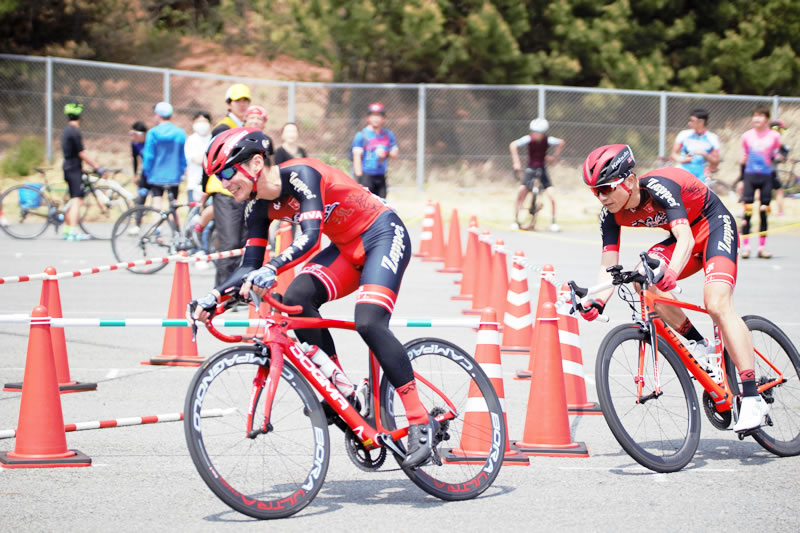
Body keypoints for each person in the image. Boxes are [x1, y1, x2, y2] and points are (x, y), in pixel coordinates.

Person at [191, 127, 436, 468]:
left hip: (382, 232)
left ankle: (419, 419)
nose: (225, 182)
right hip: (346, 249)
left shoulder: (301, 175)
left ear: (257, 162)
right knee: (296, 299)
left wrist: (273, 267)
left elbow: (309, 238)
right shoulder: (256, 209)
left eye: (228, 172)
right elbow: (247, 266)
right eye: (219, 178)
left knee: (368, 320)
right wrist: (212, 298)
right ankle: (342, 390)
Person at [579, 144, 769, 432]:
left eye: (606, 188)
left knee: (716, 305)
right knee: (642, 276)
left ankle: (753, 397)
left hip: (712, 227)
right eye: (595, 191)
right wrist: (597, 300)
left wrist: (671, 272)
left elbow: (685, 239)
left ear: (630, 181)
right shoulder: (610, 216)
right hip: (684, 240)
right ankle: (700, 345)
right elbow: (609, 265)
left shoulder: (660, 187)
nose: (602, 197)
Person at [202, 83, 265, 287]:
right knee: (229, 243)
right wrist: (205, 190)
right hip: (225, 191)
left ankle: (237, 290)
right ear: (229, 104)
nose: (242, 105)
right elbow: (210, 159)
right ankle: (222, 292)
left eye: (246, 101)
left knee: (244, 244)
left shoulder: (247, 129)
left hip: (245, 193)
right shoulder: (223, 127)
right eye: (238, 101)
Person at [739, 106, 782, 259]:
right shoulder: (747, 136)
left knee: (764, 211)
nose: (757, 119)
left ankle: (762, 247)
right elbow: (743, 159)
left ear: (767, 118)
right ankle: (746, 247)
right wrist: (741, 180)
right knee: (748, 211)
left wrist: (779, 156)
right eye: (755, 116)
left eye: (761, 116)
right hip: (750, 175)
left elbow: (778, 152)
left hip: (766, 177)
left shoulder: (774, 136)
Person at [509, 118, 564, 232]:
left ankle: (553, 222)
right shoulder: (528, 139)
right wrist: (516, 162)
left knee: (552, 196)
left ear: (543, 132)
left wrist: (553, 158)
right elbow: (513, 145)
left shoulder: (548, 140)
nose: (535, 134)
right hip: (530, 169)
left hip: (542, 170)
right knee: (521, 192)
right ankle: (516, 220)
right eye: (533, 131)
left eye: (538, 132)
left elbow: (561, 142)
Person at [60, 102, 103, 241]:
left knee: (73, 199)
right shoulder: (75, 131)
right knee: (77, 200)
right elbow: (81, 153)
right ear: (79, 116)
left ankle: (67, 229)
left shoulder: (66, 130)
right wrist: (96, 166)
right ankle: (72, 230)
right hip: (73, 169)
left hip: (68, 167)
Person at [142, 102, 186, 212]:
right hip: (174, 174)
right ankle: (175, 228)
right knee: (173, 204)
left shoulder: (152, 133)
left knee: (157, 202)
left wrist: (147, 172)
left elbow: (148, 156)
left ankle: (156, 229)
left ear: (158, 115)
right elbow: (183, 156)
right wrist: (182, 171)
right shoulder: (180, 133)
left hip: (156, 174)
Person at [351, 102, 398, 198]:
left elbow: (395, 154)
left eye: (379, 116)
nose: (376, 119)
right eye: (373, 115)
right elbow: (357, 158)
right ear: (368, 118)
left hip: (381, 175)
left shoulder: (388, 135)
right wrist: (359, 178)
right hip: (366, 176)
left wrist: (386, 153)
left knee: (382, 205)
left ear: (384, 118)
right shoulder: (362, 135)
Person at [670, 108, 720, 183]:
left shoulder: (712, 138)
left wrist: (704, 154)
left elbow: (715, 161)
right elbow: (673, 154)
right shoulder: (683, 134)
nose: (689, 123)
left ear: (701, 122)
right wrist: (682, 159)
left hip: (701, 174)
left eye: (692, 121)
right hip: (683, 171)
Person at [184, 111, 212, 204]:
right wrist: (209, 158)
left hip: (211, 184)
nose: (201, 125)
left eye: (204, 121)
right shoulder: (191, 140)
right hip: (194, 183)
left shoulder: (213, 138)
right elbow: (196, 159)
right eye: (198, 122)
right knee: (194, 214)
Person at [769, 119, 789, 216]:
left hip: (756, 171)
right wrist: (782, 157)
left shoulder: (762, 136)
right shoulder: (774, 138)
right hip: (769, 170)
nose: (781, 133)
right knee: (779, 190)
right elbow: (775, 156)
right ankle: (780, 211)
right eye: (781, 130)